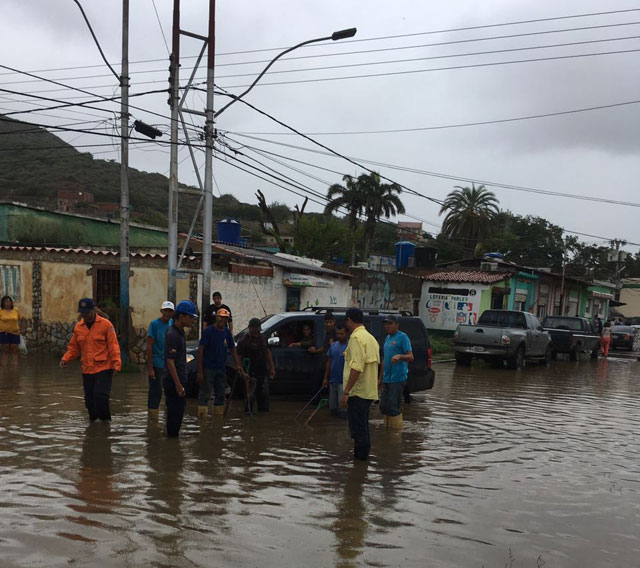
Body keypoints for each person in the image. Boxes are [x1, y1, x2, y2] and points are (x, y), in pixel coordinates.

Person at [60, 298, 121, 422]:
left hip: (104, 367)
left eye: (87, 313)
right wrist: (65, 358)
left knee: (101, 397)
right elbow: (74, 347)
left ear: (94, 310)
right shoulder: (79, 327)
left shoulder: (106, 325)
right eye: (82, 314)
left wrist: (117, 364)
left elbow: (113, 345)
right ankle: (93, 428)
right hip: (87, 369)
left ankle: (105, 425)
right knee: (89, 401)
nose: (85, 316)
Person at [341, 308, 380, 461]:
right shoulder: (370, 338)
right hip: (368, 391)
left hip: (357, 392)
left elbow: (356, 367)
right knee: (363, 428)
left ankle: (359, 463)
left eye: (347, 321)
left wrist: (346, 392)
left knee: (358, 430)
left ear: (349, 320)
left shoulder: (356, 338)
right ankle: (361, 466)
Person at [197, 308, 246, 418]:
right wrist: (200, 371)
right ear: (217, 317)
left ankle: (217, 422)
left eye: (226, 319)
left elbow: (232, 348)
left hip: (221, 369)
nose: (223, 320)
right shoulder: (208, 332)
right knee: (205, 394)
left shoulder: (226, 332)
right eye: (221, 317)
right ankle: (202, 421)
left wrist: (237, 365)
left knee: (220, 395)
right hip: (208, 368)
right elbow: (201, 350)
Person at [164, 300, 198, 437]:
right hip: (173, 382)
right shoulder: (173, 334)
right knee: (174, 416)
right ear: (181, 316)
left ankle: (173, 449)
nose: (192, 321)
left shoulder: (180, 332)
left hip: (178, 380)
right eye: (190, 317)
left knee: (177, 416)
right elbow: (170, 362)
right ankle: (171, 450)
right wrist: (178, 385)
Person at [378, 315, 414, 430]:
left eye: (390, 323)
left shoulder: (403, 337)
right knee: (383, 406)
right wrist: (380, 379)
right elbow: (384, 360)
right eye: (386, 324)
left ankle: (396, 434)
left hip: (397, 378)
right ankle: (387, 430)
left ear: (396, 325)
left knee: (393, 407)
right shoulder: (388, 338)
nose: (387, 326)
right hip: (386, 378)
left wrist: (400, 356)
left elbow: (411, 356)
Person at [237, 318, 276, 413]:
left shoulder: (262, 338)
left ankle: (262, 420)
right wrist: (241, 371)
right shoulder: (243, 341)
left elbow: (267, 352)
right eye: (254, 331)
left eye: (258, 331)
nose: (256, 333)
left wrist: (272, 368)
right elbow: (238, 356)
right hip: (249, 374)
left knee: (264, 400)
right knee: (249, 400)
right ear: (249, 328)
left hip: (262, 373)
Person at [146, 301, 174, 419]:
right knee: (155, 392)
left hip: (170, 364)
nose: (167, 313)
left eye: (170, 311)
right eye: (165, 310)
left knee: (170, 391)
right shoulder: (154, 324)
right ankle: (152, 420)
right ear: (162, 311)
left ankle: (169, 416)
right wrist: (150, 368)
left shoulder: (172, 324)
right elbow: (149, 346)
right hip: (157, 363)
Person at [323, 323, 349, 417]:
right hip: (332, 381)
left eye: (342, 334)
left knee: (343, 410)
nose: (339, 336)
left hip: (344, 382)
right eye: (338, 334)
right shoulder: (333, 346)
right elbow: (329, 362)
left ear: (347, 334)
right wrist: (325, 378)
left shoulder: (350, 346)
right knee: (333, 408)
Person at [0, 295, 21, 367]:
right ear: (3, 303)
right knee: (5, 351)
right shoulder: (1, 311)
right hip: (4, 333)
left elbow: (21, 318)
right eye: (6, 301)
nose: (8, 303)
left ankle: (16, 369)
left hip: (15, 333)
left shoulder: (16, 310)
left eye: (9, 301)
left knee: (15, 351)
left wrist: (23, 328)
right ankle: (4, 369)